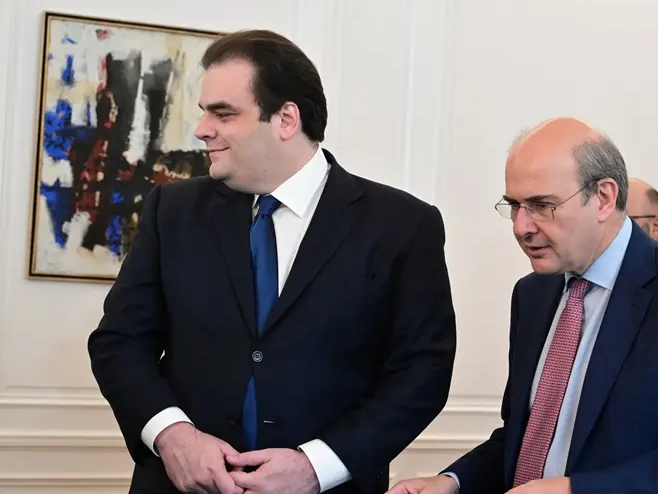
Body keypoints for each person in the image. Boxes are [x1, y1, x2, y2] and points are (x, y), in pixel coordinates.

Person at [87, 29, 457, 494]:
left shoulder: (403, 225)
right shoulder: (172, 210)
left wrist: (316, 467)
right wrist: (171, 435)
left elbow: (422, 373)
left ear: (285, 119)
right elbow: (120, 342)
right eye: (204, 112)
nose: (202, 129)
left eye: (223, 113)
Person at [387, 117, 658, 494]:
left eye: (541, 205)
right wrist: (453, 481)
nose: (521, 227)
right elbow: (526, 437)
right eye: (515, 205)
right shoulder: (532, 295)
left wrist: (576, 490)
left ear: (603, 197)